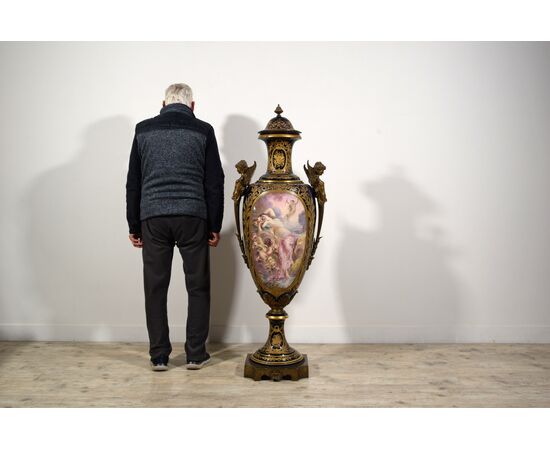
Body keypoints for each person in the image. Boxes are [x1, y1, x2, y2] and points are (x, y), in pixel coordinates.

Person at [125, 83, 225, 372]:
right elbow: (213, 181)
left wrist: (134, 223)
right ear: (192, 106)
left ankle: (159, 356)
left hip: (153, 217)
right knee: (198, 286)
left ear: (163, 103)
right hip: (193, 215)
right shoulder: (203, 130)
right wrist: (214, 223)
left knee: (155, 288)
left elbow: (134, 181)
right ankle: (195, 354)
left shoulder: (143, 130)